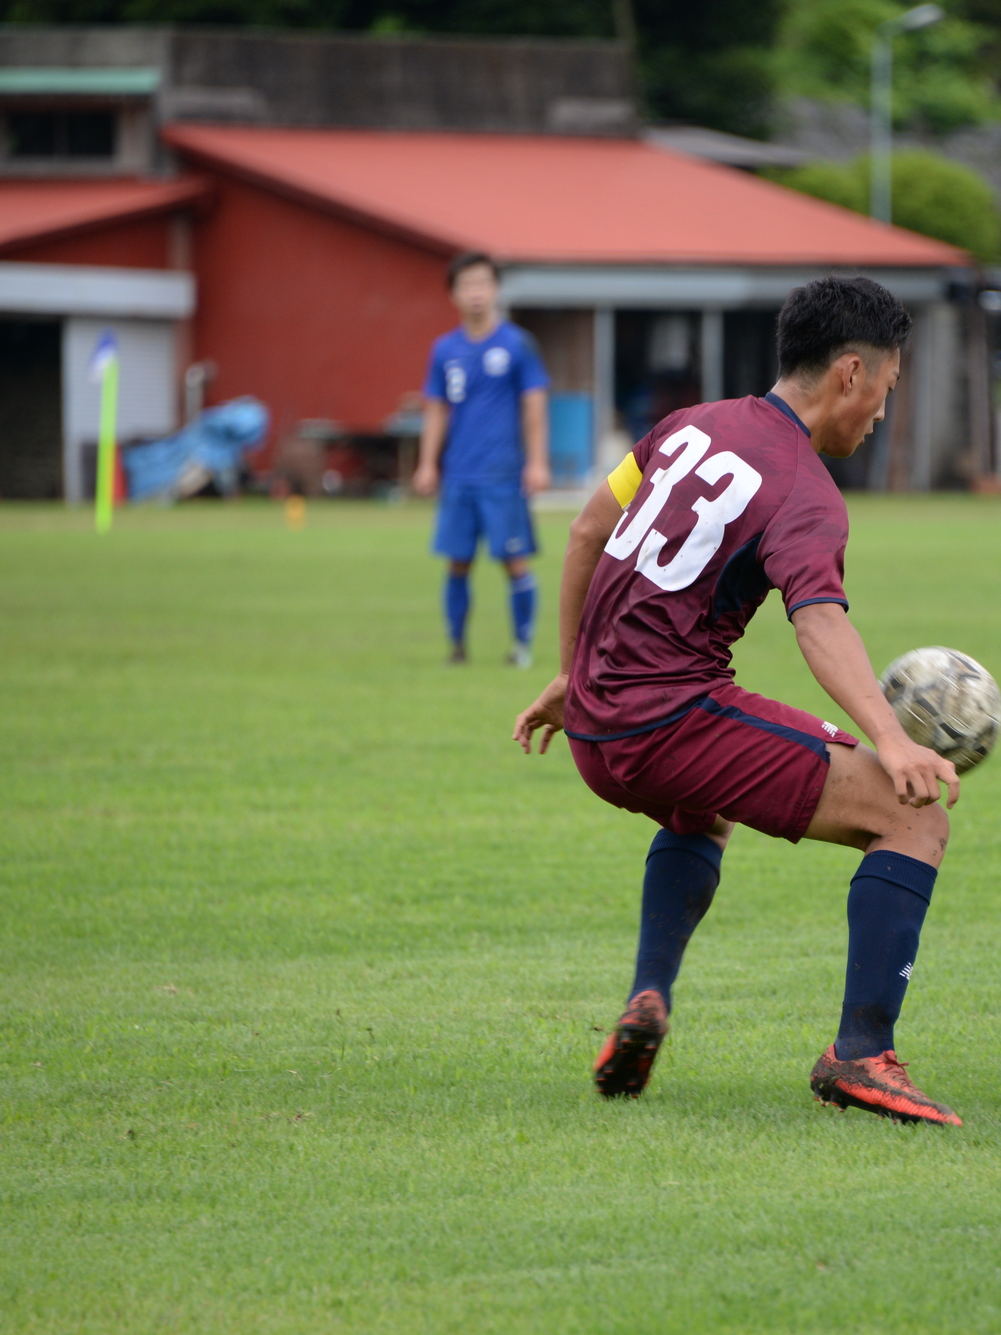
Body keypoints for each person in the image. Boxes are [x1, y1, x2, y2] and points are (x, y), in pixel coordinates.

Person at [511, 277, 966, 1125]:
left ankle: (649, 996)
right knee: (913, 819)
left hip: (596, 731)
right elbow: (821, 626)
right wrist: (890, 740)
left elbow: (583, 533)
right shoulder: (805, 488)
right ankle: (861, 1055)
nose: (878, 414)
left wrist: (574, 675)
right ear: (850, 372)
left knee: (699, 812)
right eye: (886, 393)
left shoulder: (686, 425)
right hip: (668, 720)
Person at [413, 251, 551, 667]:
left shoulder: (516, 344)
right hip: (459, 473)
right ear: (453, 294)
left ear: (495, 290)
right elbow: (436, 408)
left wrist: (537, 462)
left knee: (514, 560)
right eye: (467, 284)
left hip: (503, 473)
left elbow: (534, 405)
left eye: (483, 283)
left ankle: (522, 648)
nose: (476, 292)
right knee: (457, 562)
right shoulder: (444, 350)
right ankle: (457, 648)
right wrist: (426, 463)